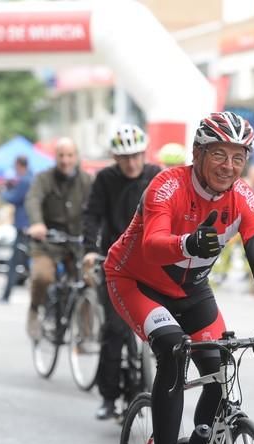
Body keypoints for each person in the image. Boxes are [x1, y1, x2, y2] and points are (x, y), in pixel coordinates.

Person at [104, 111, 254, 444]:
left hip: (191, 291)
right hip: (136, 282)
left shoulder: (243, 198)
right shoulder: (167, 185)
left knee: (220, 367)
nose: (229, 166)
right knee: (174, 351)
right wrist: (188, 244)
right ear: (198, 153)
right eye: (219, 153)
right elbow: (152, 244)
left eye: (239, 157)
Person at [82, 124, 161, 420]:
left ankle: (148, 391)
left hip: (151, 263)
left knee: (163, 330)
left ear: (144, 153)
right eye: (124, 157)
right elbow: (92, 216)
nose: (131, 163)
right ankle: (108, 396)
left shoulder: (156, 175)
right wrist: (90, 249)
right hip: (114, 263)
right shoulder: (105, 179)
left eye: (136, 155)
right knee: (114, 330)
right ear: (115, 157)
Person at [24, 138, 92, 339]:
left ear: (76, 157)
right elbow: (33, 199)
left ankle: (86, 333)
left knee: (89, 281)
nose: (65, 160)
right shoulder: (43, 178)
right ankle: (35, 310)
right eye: (61, 155)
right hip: (48, 242)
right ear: (56, 157)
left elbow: (97, 206)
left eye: (70, 155)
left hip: (76, 243)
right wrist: (37, 223)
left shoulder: (87, 181)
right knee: (42, 276)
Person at [0, 155, 32, 303]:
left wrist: (3, 191)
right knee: (26, 263)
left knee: (14, 263)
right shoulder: (30, 178)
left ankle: (6, 295)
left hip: (23, 227)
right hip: (28, 226)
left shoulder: (25, 180)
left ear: (19, 165)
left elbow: (13, 198)